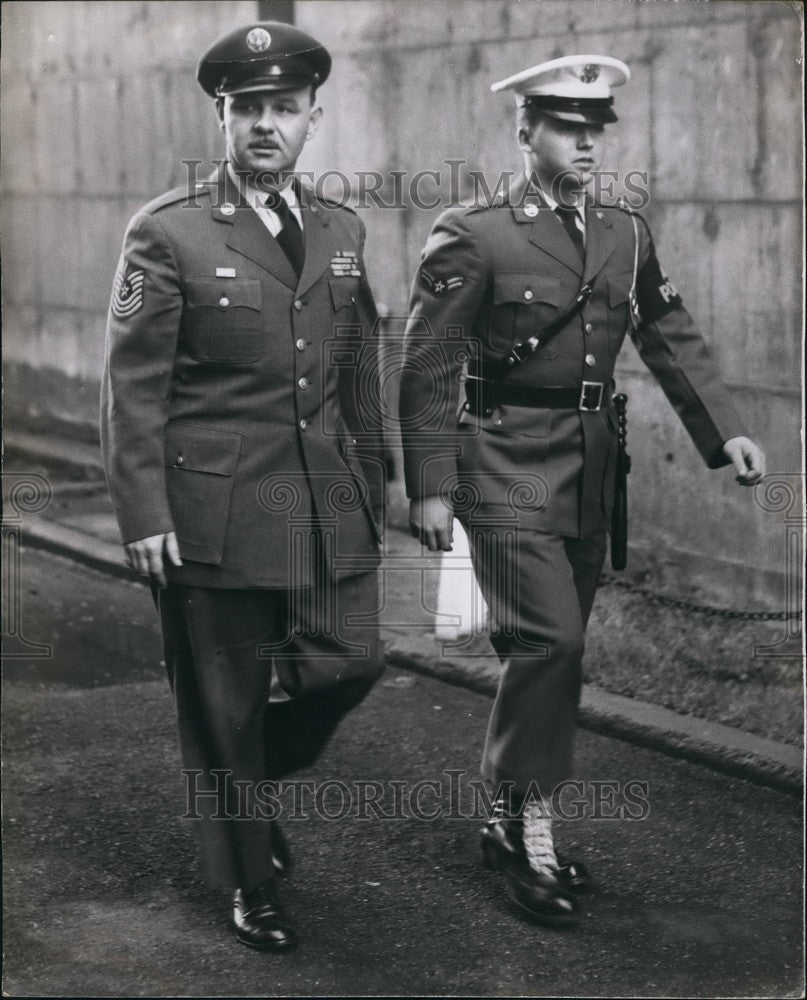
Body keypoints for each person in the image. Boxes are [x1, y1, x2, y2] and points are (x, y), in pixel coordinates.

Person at [399, 54, 765, 927]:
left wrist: (724, 428)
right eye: (567, 126)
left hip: (592, 467)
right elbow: (428, 361)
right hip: (502, 464)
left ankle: (510, 818)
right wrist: (430, 485)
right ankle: (524, 828)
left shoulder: (623, 233)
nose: (587, 142)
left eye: (596, 128)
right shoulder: (474, 232)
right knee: (549, 642)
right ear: (524, 130)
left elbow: (667, 328)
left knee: (553, 652)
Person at [101, 21, 385, 952]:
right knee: (222, 704)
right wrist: (143, 513)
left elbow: (358, 371)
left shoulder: (341, 230)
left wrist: (377, 486)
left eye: (284, 108)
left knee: (351, 660)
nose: (266, 124)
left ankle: (245, 789)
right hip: (210, 511)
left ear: (312, 119)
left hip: (322, 501)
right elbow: (133, 387)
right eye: (248, 108)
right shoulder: (169, 230)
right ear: (222, 118)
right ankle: (249, 882)